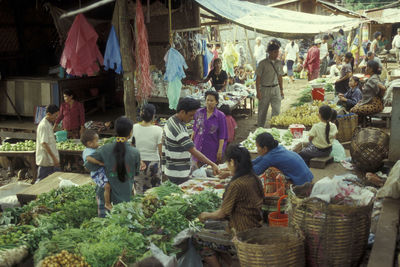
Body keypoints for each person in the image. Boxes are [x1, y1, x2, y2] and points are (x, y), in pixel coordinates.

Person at [196, 145, 264, 267]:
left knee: (197, 236)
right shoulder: (253, 177)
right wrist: (229, 174)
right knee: (212, 226)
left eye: (228, 162)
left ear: (232, 162)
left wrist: (205, 215)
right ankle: (228, 262)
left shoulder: (236, 185)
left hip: (240, 233)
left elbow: (222, 213)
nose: (227, 165)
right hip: (254, 225)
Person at [162, 97, 220, 185]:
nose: (193, 118)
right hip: (178, 173)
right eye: (191, 115)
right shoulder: (178, 130)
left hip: (171, 168)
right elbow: (193, 151)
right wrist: (212, 164)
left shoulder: (171, 120)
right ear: (182, 112)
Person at [84, 116, 141, 205]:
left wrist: (103, 164)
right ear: (130, 133)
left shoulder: (104, 149)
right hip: (125, 199)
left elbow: (88, 166)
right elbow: (136, 173)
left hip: (106, 197)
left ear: (116, 131)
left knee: (104, 219)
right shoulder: (135, 152)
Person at [132, 104, 163, 194]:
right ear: (153, 116)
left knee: (140, 191)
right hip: (153, 164)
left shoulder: (134, 127)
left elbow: (131, 146)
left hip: (138, 163)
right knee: (155, 192)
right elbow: (161, 151)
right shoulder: (158, 130)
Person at [81, 130, 112, 215]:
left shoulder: (94, 149)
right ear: (89, 143)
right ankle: (107, 203)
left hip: (100, 171)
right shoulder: (87, 151)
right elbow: (88, 159)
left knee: (107, 186)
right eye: (97, 141)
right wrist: (99, 163)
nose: (98, 143)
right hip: (97, 173)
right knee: (107, 186)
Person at [193, 91, 227, 165]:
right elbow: (195, 130)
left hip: (211, 150)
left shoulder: (220, 116)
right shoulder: (199, 112)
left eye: (211, 101)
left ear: (216, 102)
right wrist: (191, 144)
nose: (209, 102)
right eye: (207, 100)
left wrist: (220, 150)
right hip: (197, 147)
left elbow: (222, 135)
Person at [256, 42, 284, 127]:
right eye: (275, 52)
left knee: (276, 111)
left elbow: (280, 77)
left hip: (276, 89)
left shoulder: (279, 63)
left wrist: (281, 90)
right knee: (262, 111)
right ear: (269, 52)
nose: (277, 54)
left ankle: (274, 129)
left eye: (277, 52)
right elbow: (258, 79)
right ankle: (260, 129)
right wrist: (258, 92)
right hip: (264, 89)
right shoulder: (262, 63)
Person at [35, 104, 60, 181]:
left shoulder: (48, 123)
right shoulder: (43, 125)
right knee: (41, 181)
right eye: (55, 116)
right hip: (46, 159)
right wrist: (54, 158)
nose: (56, 118)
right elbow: (44, 144)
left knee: (55, 179)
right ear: (48, 114)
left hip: (51, 160)